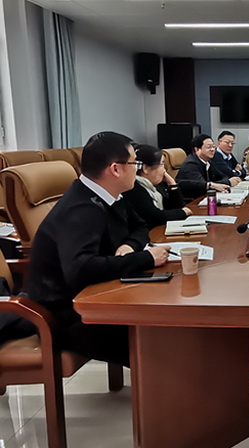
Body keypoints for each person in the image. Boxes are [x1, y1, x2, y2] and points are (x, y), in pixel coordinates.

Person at [27, 131, 170, 367]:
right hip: (68, 315)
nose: (137, 169)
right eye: (134, 163)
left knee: (167, 323)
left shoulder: (111, 195)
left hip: (100, 294)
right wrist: (145, 258)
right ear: (116, 169)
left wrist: (129, 245)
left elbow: (140, 226)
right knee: (162, 339)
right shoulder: (81, 208)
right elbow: (80, 269)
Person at [123, 143, 192, 229]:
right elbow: (156, 217)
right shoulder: (134, 188)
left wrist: (172, 184)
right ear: (145, 168)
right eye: (162, 164)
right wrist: (183, 212)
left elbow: (173, 208)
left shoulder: (155, 186)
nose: (164, 170)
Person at [176, 134, 236, 198]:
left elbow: (223, 177)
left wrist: (216, 184)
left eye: (213, 147)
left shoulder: (208, 162)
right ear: (197, 149)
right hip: (192, 200)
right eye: (208, 147)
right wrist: (227, 182)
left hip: (205, 197)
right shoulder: (191, 164)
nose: (212, 149)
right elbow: (202, 186)